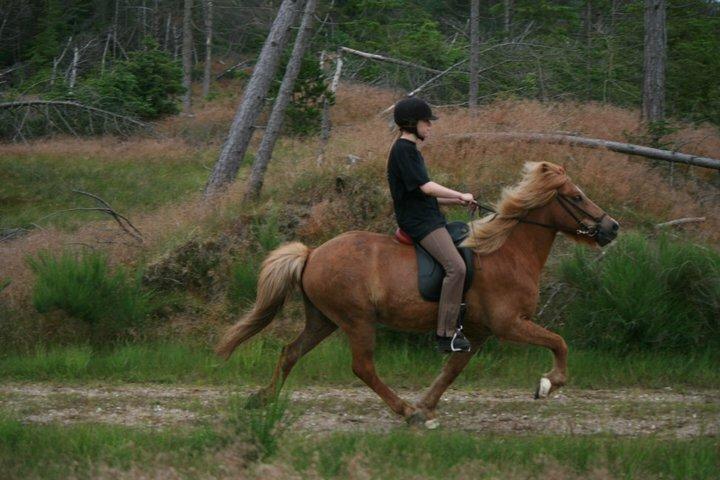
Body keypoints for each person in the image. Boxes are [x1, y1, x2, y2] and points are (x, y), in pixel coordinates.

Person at [386, 96, 475, 353]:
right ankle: (446, 334)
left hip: (429, 216)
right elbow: (427, 187)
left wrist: (458, 201)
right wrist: (459, 194)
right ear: (412, 123)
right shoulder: (403, 149)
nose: (430, 127)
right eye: (427, 122)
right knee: (456, 268)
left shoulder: (411, 151)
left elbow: (426, 193)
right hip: (419, 222)